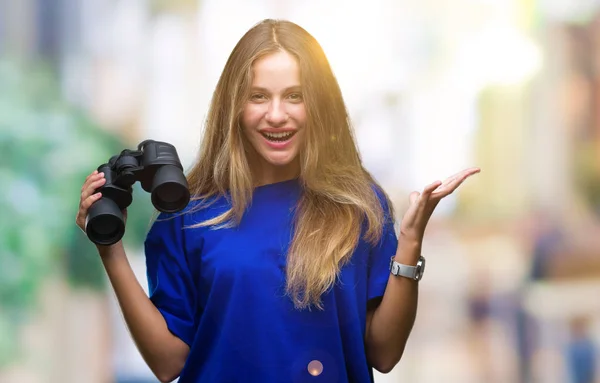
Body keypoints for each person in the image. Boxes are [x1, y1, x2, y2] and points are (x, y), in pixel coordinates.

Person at [75, 19, 479, 383]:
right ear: (234, 106)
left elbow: (385, 354)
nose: (276, 114)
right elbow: (168, 363)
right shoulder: (187, 212)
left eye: (294, 96)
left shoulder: (357, 205)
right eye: (258, 96)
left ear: (317, 104)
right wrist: (109, 251)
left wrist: (410, 241)